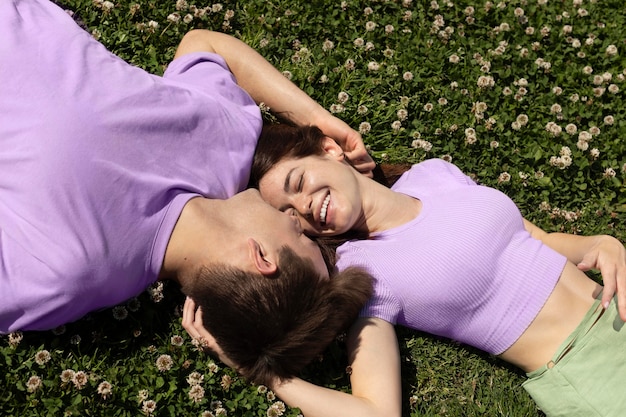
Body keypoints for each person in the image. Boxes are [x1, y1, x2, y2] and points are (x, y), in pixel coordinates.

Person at [0, 0, 376, 360]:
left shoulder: (68, 275)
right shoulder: (230, 148)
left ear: (260, 257)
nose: (296, 218)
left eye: (298, 235)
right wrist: (317, 119)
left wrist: (258, 357)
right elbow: (205, 44)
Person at [184, 123, 626, 417]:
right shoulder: (363, 271)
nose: (303, 207)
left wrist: (600, 243)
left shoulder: (434, 173)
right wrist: (265, 374)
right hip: (586, 369)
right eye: (289, 212)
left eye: (297, 183)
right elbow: (377, 412)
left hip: (615, 302)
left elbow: (539, 240)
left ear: (330, 150)